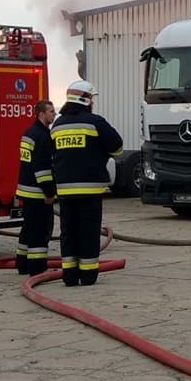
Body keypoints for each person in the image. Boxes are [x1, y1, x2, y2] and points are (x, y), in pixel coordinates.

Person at [50, 81, 123, 287]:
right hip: (90, 189)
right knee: (89, 232)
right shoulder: (95, 122)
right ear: (86, 99)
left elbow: (53, 154)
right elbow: (117, 147)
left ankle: (70, 276)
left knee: (68, 232)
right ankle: (88, 275)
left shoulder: (58, 124)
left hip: (64, 190)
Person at [14, 100, 58, 275]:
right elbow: (42, 169)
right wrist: (49, 192)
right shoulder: (42, 136)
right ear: (42, 114)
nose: (54, 114)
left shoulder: (29, 133)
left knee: (28, 229)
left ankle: (22, 264)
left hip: (26, 190)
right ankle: (37, 268)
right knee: (40, 231)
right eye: (51, 111)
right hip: (38, 192)